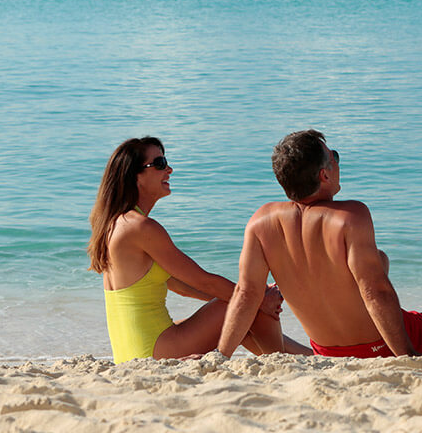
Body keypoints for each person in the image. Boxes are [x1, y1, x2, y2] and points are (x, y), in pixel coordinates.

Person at [217, 129, 422, 359]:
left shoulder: (260, 223)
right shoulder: (350, 216)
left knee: (380, 261)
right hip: (378, 346)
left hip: (327, 351)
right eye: (333, 156)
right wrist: (407, 357)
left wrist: (221, 355)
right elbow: (375, 291)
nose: (337, 161)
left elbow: (246, 295)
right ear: (324, 174)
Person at [88, 136, 311, 363]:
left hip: (131, 351)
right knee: (241, 304)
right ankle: (284, 360)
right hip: (153, 350)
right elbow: (204, 281)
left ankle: (307, 356)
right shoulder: (141, 227)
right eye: (159, 164)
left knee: (240, 305)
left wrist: (250, 298)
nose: (169, 169)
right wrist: (255, 299)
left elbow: (182, 287)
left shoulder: (116, 224)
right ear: (134, 176)